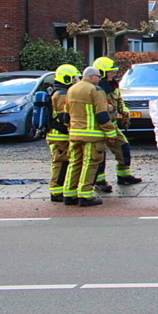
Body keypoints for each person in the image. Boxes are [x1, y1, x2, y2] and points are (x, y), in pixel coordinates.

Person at [62, 66, 117, 207]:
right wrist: (111, 133)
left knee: (74, 163)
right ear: (92, 77)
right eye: (98, 76)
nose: (100, 79)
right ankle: (85, 195)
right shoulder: (96, 90)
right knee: (90, 164)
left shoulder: (71, 89)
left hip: (74, 134)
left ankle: (69, 194)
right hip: (92, 135)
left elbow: (65, 115)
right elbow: (102, 115)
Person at [91, 56, 142, 191]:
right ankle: (99, 181)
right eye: (110, 71)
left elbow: (119, 101)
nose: (113, 74)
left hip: (112, 125)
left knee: (123, 147)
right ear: (101, 72)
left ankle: (124, 176)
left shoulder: (113, 86)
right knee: (99, 154)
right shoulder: (93, 88)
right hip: (98, 127)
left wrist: (124, 110)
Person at [46, 64, 81, 202]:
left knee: (65, 162)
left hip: (61, 135)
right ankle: (56, 192)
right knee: (60, 163)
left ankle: (61, 189)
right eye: (74, 78)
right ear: (66, 78)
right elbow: (64, 118)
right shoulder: (61, 95)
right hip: (59, 136)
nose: (76, 81)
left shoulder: (61, 92)